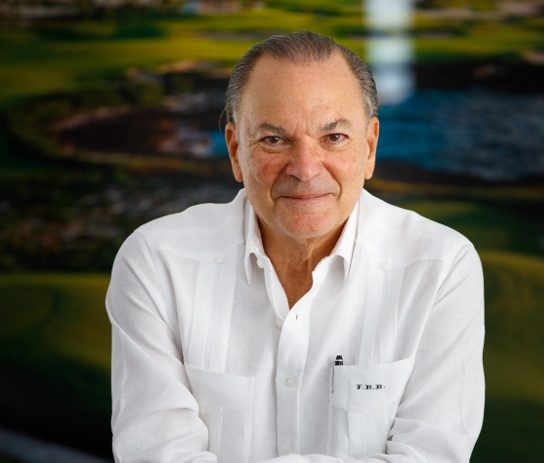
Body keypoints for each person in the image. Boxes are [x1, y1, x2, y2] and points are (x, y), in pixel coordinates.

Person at [106, 31, 485, 463]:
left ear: (369, 147)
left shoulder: (441, 266)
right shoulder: (156, 261)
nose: (305, 169)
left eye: (334, 137)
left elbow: (431, 456)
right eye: (274, 139)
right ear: (235, 150)